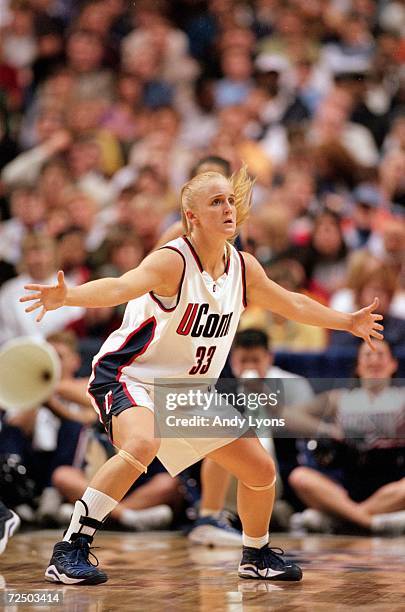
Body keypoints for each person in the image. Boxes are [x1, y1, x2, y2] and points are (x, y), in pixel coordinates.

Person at [20, 167, 383, 585]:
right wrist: (70, 297)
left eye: (229, 200)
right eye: (216, 202)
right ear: (191, 217)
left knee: (260, 470)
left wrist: (347, 321)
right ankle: (69, 549)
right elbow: (120, 286)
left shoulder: (244, 269)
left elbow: (294, 305)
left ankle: (256, 554)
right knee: (142, 441)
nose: (228, 208)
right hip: (130, 375)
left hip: (186, 392)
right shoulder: (173, 260)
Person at [288, 340, 405, 535]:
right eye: (368, 355)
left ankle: (343, 519)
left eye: (381, 355)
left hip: (391, 483)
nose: (374, 360)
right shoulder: (338, 398)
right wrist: (327, 429)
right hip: (346, 484)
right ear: (358, 366)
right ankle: (369, 523)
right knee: (300, 477)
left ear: (393, 364)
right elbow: (289, 415)